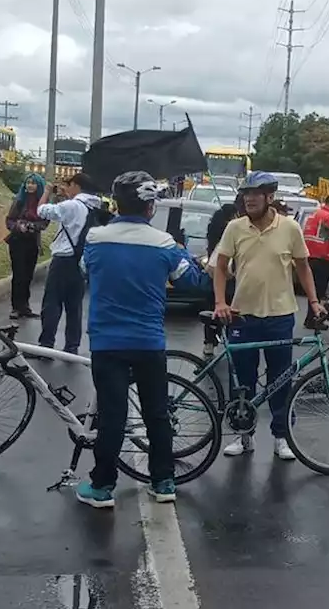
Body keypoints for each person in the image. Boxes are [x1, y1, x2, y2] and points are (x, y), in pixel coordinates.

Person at [73, 172, 211, 508]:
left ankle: (102, 486)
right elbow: (192, 283)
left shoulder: (94, 238)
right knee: (157, 414)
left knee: (112, 415)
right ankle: (163, 482)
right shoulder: (164, 244)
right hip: (149, 342)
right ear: (150, 206)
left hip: (107, 342)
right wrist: (190, 258)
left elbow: (83, 270)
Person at [212, 171, 324, 460]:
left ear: (269, 197)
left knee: (280, 379)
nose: (249, 199)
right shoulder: (235, 228)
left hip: (280, 316)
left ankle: (281, 435)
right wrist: (220, 302)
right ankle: (244, 435)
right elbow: (221, 266)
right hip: (241, 315)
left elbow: (303, 268)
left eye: (255, 194)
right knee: (243, 381)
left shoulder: (289, 228)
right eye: (246, 194)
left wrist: (314, 302)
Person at [35, 173, 103, 355]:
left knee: (52, 303)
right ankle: (72, 346)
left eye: (69, 184)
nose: (66, 188)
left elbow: (41, 210)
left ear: (77, 185)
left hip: (63, 260)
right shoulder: (96, 206)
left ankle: (47, 345)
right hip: (81, 262)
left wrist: (47, 191)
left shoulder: (72, 206)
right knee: (75, 306)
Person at [6, 173, 49, 319]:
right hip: (17, 241)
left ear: (39, 186)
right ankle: (15, 307)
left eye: (33, 183)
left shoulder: (42, 203)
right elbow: (9, 221)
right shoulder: (19, 201)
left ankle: (25, 306)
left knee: (28, 275)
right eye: (28, 182)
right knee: (19, 274)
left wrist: (31, 226)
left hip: (32, 241)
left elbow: (44, 223)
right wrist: (18, 226)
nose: (30, 185)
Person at [302, 194, 329, 330]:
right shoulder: (326, 216)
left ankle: (311, 318)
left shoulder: (316, 213)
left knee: (315, 290)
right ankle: (313, 319)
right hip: (322, 257)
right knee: (319, 290)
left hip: (312, 255)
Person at [201, 201, 239, 356]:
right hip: (229, 279)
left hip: (213, 279)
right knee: (231, 312)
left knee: (213, 312)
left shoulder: (213, 229)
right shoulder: (232, 230)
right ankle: (229, 340)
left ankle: (209, 342)